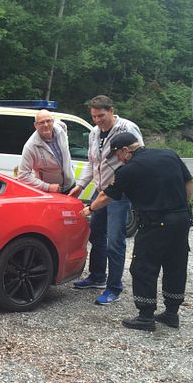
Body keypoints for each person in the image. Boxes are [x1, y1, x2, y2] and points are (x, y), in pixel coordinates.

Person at [80, 133, 193, 331]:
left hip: (155, 223)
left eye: (116, 155)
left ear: (126, 150)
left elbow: (107, 196)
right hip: (182, 220)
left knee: (143, 267)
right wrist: (182, 207)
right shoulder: (169, 155)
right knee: (175, 265)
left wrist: (89, 209)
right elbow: (188, 183)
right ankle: (171, 313)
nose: (117, 159)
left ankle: (145, 316)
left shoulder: (128, 170)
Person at [69, 95, 143, 305]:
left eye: (101, 116)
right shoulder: (94, 133)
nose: (98, 120)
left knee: (115, 241)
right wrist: (81, 185)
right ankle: (97, 277)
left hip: (120, 192)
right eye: (93, 116)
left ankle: (114, 287)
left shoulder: (127, 128)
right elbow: (93, 164)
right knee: (96, 234)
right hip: (101, 190)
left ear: (111, 110)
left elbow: (139, 156)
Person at [15, 110, 75, 193]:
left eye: (48, 121)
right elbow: (23, 176)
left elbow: (61, 123)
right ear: (35, 125)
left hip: (70, 185)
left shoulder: (61, 130)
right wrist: (47, 187)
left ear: (52, 121)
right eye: (42, 122)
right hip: (50, 192)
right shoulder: (31, 146)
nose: (46, 125)